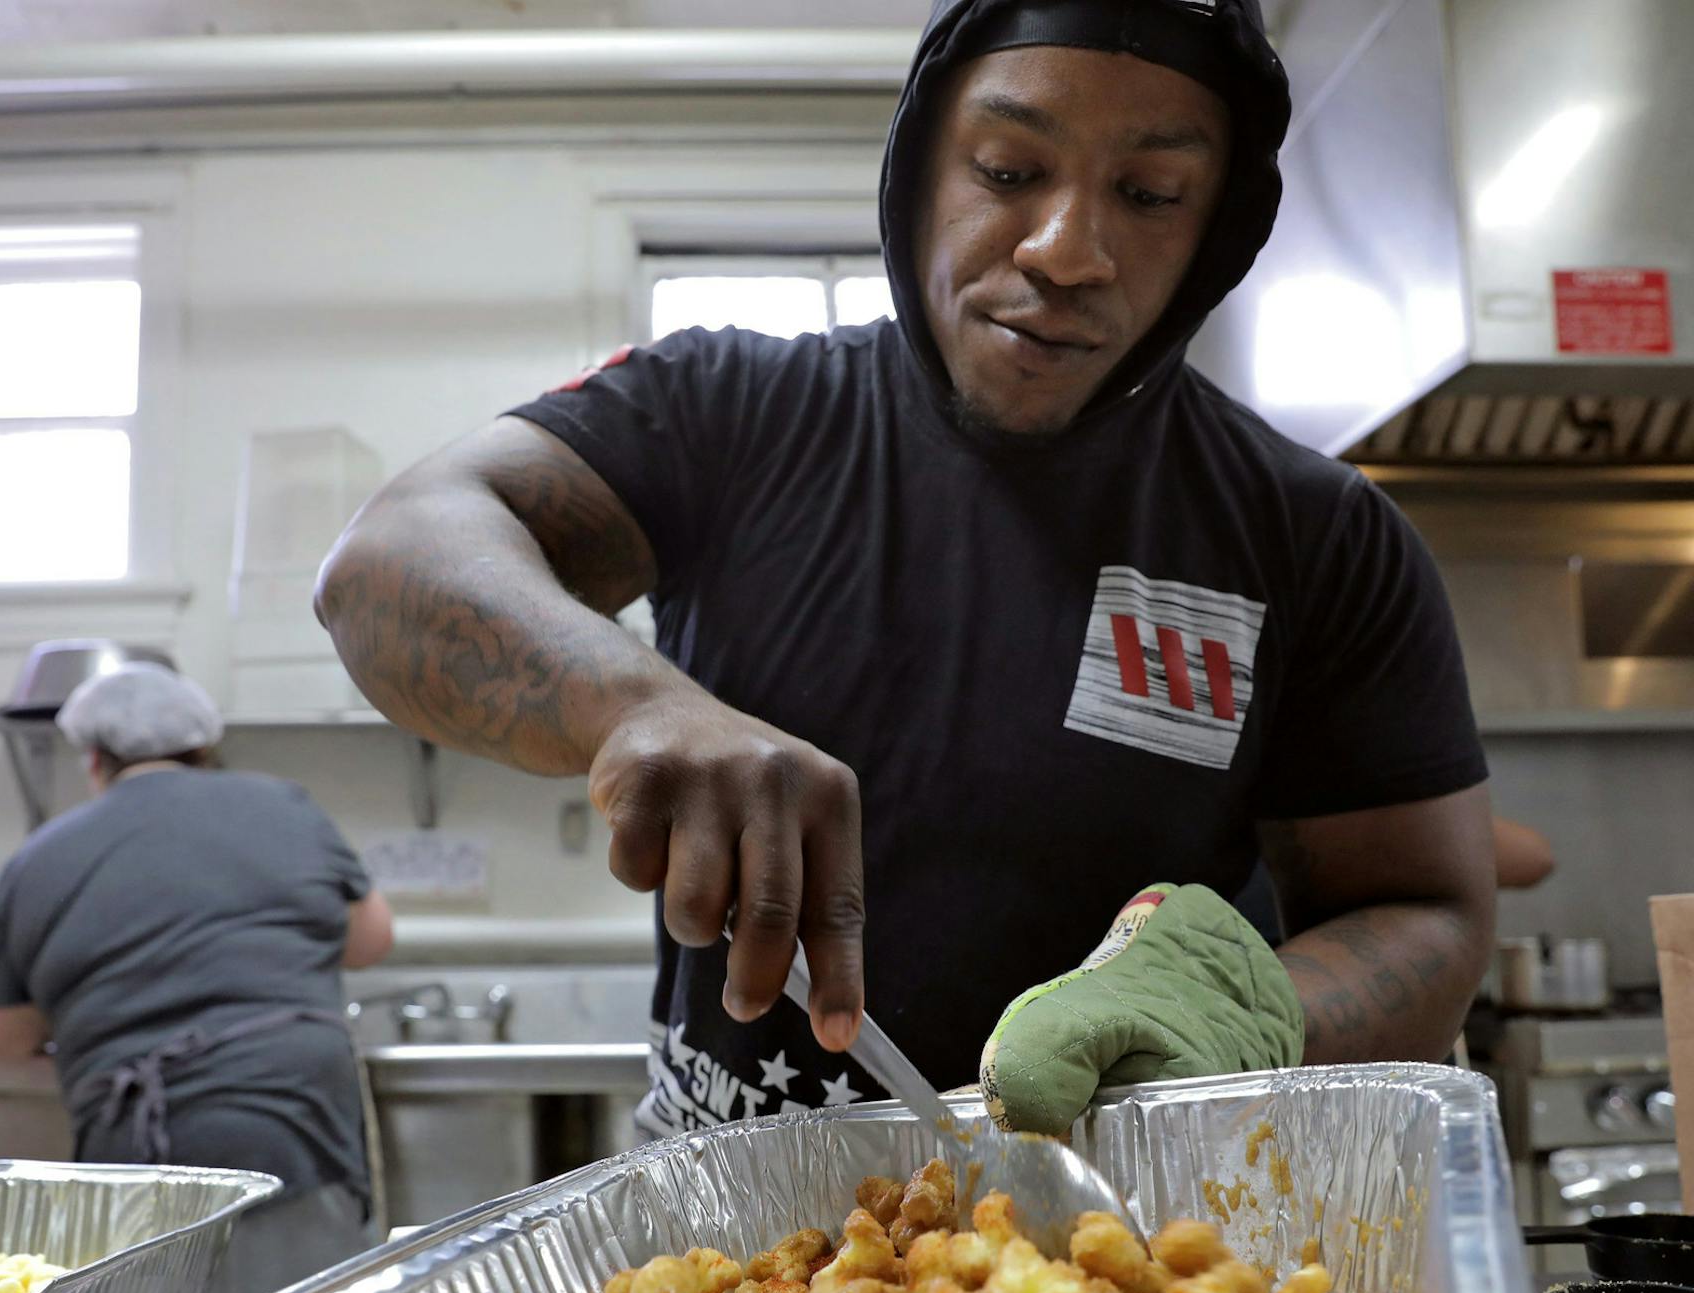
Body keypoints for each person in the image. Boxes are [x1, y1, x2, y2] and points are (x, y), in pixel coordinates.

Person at [315, 0, 1498, 1139]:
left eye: (1149, 194)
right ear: (921, 164)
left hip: (1122, 1247)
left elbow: (1429, 910)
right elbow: (387, 560)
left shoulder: (1313, 532)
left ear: (1215, 232)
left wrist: (1249, 1010)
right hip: (724, 1240)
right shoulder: (729, 413)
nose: (1065, 250)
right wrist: (633, 705)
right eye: (1005, 170)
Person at [0, 664, 394, 1212]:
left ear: (94, 761)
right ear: (205, 750)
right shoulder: (284, 806)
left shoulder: (37, 858)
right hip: (298, 1120)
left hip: (137, 1141)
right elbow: (371, 940)